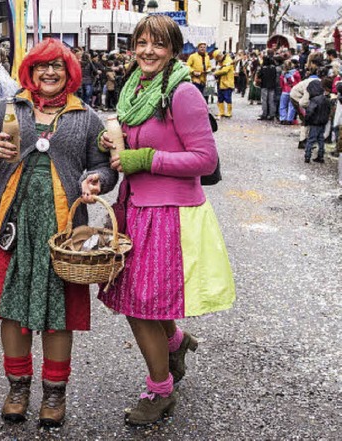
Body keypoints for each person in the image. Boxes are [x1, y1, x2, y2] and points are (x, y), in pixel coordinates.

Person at [0, 38, 117, 427]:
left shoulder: (86, 117)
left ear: (69, 73)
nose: (49, 73)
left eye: (57, 67)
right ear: (29, 71)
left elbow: (105, 167)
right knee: (12, 309)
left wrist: (95, 179)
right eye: (42, 66)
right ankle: (17, 388)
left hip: (63, 231)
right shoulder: (6, 109)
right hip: (10, 225)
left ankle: (54, 395)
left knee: (57, 314)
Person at [98, 15, 235, 426]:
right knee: (144, 298)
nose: (147, 51)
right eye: (141, 42)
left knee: (140, 306)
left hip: (169, 215)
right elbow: (134, 141)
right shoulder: (134, 88)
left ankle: (160, 391)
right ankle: (175, 341)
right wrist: (110, 142)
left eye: (158, 44)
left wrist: (144, 159)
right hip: (134, 207)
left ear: (174, 49)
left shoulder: (183, 93)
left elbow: (205, 159)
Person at [303, 77, 331, 163]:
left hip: (314, 122)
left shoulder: (315, 100)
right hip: (322, 123)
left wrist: (306, 120)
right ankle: (320, 156)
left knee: (311, 140)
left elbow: (310, 111)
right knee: (321, 140)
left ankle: (307, 156)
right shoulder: (327, 100)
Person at [213, 49, 235, 119]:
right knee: (220, 98)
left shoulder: (228, 60)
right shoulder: (221, 62)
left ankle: (229, 112)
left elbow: (225, 70)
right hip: (220, 82)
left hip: (227, 83)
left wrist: (216, 72)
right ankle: (221, 112)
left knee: (227, 98)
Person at [279, 59, 300, 125]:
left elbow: (281, 83)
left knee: (282, 105)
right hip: (293, 91)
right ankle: (289, 119)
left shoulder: (283, 74)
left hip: (285, 91)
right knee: (292, 106)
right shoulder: (296, 73)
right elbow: (299, 81)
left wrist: (282, 88)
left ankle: (283, 118)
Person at [256, 56, 278, 121]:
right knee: (271, 100)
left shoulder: (263, 68)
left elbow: (259, 75)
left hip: (264, 85)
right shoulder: (274, 68)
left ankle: (264, 114)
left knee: (264, 100)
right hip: (272, 85)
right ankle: (272, 114)